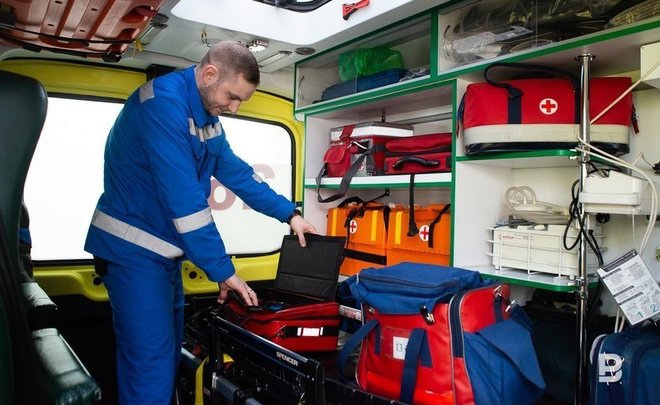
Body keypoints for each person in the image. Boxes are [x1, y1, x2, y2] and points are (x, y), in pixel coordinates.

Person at [84, 41, 317, 404]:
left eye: (241, 101)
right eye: (232, 96)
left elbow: (239, 174)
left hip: (162, 254)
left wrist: (291, 214)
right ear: (209, 74)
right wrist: (223, 270)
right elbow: (187, 205)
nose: (234, 108)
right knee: (150, 367)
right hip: (133, 253)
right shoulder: (162, 106)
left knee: (166, 358)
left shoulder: (207, 118)